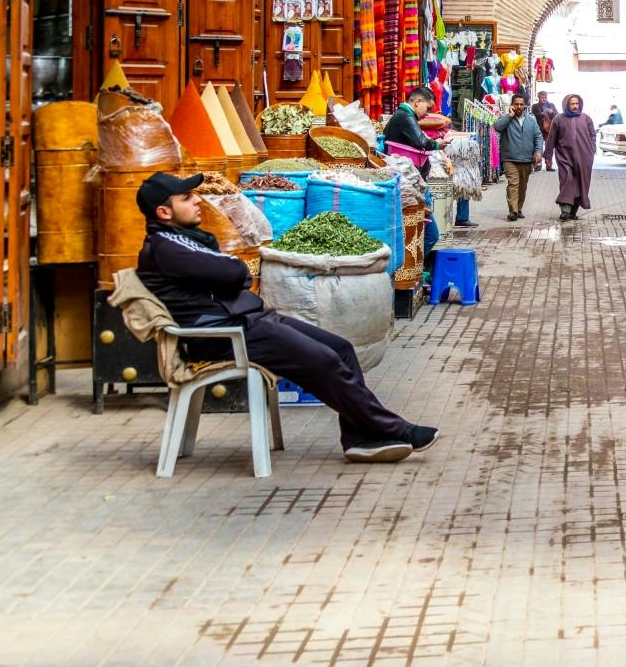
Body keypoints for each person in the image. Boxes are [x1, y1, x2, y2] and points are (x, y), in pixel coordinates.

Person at [135, 172, 437, 463]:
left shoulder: (186, 240)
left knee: (341, 349)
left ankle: (359, 438)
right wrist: (232, 271)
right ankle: (395, 429)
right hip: (227, 335)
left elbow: (230, 272)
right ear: (164, 212)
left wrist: (230, 272)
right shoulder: (168, 247)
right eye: (186, 198)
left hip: (247, 320)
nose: (197, 201)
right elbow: (235, 271)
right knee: (324, 361)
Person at [549, 93, 596, 220]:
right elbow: (551, 138)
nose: (575, 106)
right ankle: (565, 210)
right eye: (572, 104)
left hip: (584, 157)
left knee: (580, 183)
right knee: (567, 181)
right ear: (566, 105)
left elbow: (592, 135)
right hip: (564, 157)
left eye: (577, 103)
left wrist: (592, 149)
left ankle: (573, 211)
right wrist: (548, 155)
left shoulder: (586, 118)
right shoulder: (558, 119)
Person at [497, 93, 543, 222]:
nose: (518, 106)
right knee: (513, 184)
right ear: (512, 105)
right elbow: (497, 127)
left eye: (521, 104)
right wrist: (510, 116)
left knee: (522, 186)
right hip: (509, 158)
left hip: (527, 159)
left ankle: (519, 208)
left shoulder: (531, 120)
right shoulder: (506, 119)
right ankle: (513, 211)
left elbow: (538, 136)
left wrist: (538, 151)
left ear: (525, 106)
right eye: (516, 104)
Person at [383, 86, 442, 176]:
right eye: (428, 108)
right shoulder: (406, 116)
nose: (427, 114)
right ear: (418, 102)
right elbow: (421, 142)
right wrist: (437, 145)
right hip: (402, 170)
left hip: (404, 166)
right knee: (442, 182)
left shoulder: (404, 114)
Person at [533, 91, 558, 172]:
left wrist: (552, 112)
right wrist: (542, 113)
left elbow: (557, 116)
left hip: (549, 129)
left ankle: (549, 165)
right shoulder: (535, 106)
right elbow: (533, 116)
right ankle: (538, 165)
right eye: (542, 98)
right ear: (539, 98)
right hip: (539, 129)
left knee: (549, 147)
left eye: (545, 97)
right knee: (538, 147)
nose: (544, 99)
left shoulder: (551, 105)